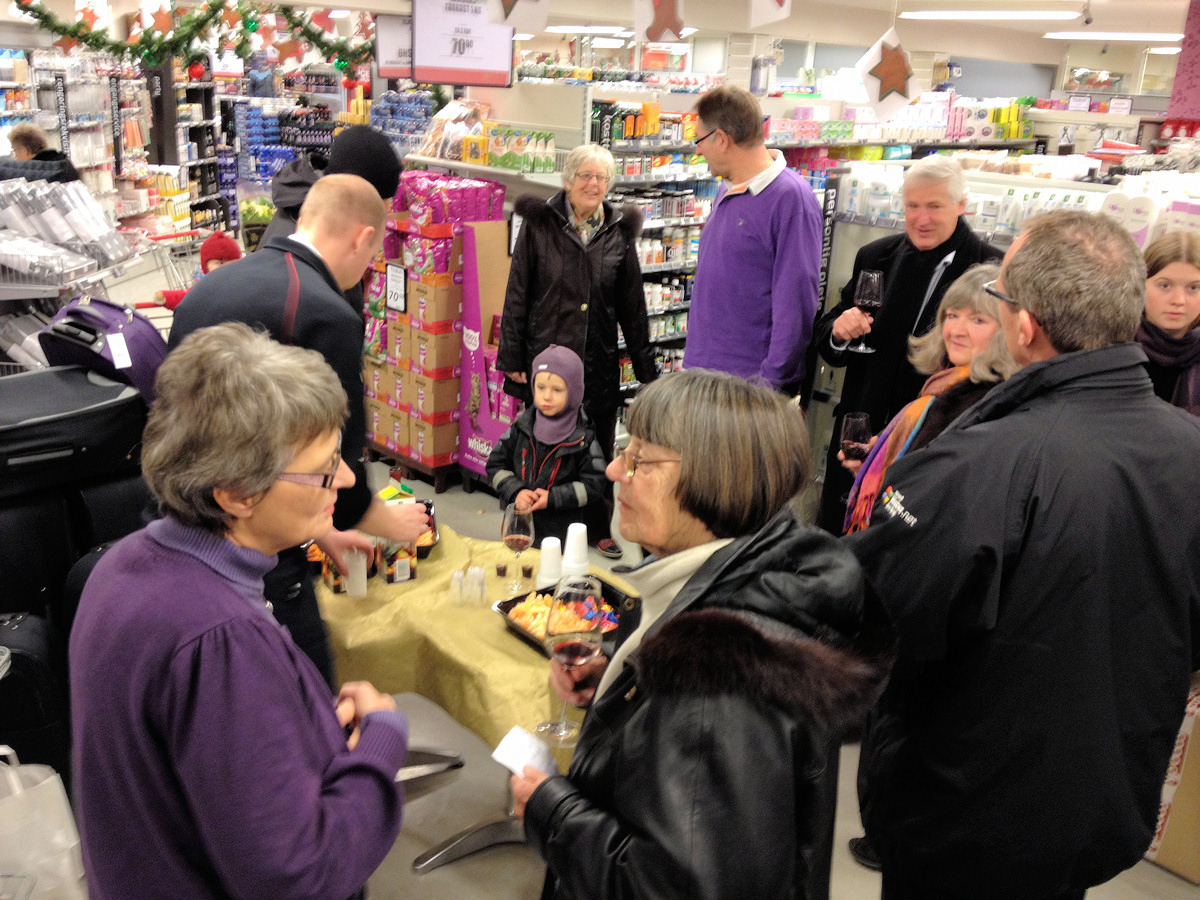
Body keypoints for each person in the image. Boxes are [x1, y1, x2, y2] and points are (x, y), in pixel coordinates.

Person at [845, 210, 1200, 900]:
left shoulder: (977, 464)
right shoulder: (1189, 449)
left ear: (1025, 325)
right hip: (1101, 801)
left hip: (963, 812)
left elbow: (878, 629)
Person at [510, 368, 894, 900]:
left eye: (640, 459)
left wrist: (551, 810)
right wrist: (629, 684)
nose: (616, 470)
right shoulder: (756, 586)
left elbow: (673, 886)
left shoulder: (718, 681)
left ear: (715, 479)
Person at [70, 323, 408, 899]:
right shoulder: (220, 640)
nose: (347, 479)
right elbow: (298, 876)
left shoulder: (120, 567)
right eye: (325, 467)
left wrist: (300, 727)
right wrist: (380, 742)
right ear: (236, 493)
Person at [170, 174, 429, 688]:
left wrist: (322, 530)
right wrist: (385, 521)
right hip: (259, 545)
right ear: (362, 238)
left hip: (186, 526)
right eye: (372, 254)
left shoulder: (215, 285)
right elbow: (337, 463)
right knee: (305, 687)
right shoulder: (327, 314)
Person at [813, 155, 1003, 533]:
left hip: (927, 447)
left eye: (934, 206)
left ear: (961, 205)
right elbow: (828, 333)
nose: (921, 218)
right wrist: (839, 331)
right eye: (912, 206)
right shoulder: (875, 256)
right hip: (859, 434)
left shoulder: (990, 270)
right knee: (837, 542)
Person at [498, 143, 655, 557]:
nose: (593, 184)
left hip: (596, 362)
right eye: (585, 175)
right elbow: (517, 293)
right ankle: (533, 520)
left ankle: (598, 526)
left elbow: (633, 306)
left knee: (596, 447)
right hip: (547, 365)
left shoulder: (619, 232)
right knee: (540, 446)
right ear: (568, 181)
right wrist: (512, 358)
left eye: (601, 177)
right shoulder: (540, 225)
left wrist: (647, 372)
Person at [842, 263, 1016, 535]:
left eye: (978, 320)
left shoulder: (985, 406)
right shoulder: (945, 387)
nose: (956, 330)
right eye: (952, 315)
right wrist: (875, 464)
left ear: (1008, 331)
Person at [681, 84, 823, 393]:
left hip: (746, 390)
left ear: (721, 139)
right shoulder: (727, 189)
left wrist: (770, 384)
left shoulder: (792, 199)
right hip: (703, 377)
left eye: (699, 140)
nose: (697, 150)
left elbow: (796, 305)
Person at [486, 344, 609, 548]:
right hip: (520, 527)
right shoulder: (522, 426)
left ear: (574, 391)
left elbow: (595, 483)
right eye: (540, 387)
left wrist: (554, 498)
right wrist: (516, 492)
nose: (547, 396)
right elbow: (495, 465)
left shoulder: (582, 437)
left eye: (557, 390)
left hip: (562, 535)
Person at [1137, 231, 1200, 415]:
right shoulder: (1112, 345)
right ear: (1140, 285)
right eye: (1165, 286)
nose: (1179, 300)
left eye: (1193, 288)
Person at [155, 230, 243, 309]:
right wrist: (168, 297)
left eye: (233, 262)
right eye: (220, 263)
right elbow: (189, 298)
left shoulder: (243, 280)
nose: (227, 267)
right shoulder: (206, 286)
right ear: (206, 267)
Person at [1, 121, 81, 182]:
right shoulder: (60, 161)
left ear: (25, 151)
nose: (15, 157)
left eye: (15, 151)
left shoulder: (38, 177)